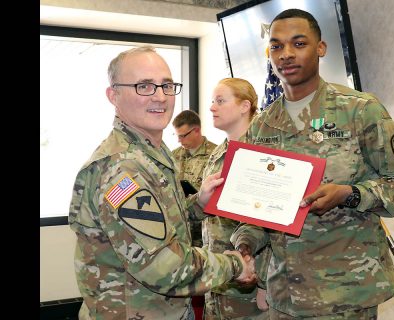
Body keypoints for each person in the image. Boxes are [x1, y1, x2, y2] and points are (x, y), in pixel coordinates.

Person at [230, 8, 394, 319]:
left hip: (346, 294)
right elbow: (257, 208)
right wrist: (244, 243)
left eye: (299, 43)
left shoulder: (360, 111)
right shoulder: (261, 126)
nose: (286, 55)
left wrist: (349, 193)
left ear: (320, 48)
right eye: (277, 46)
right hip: (285, 296)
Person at [68, 45, 256, 320]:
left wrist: (197, 205)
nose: (160, 96)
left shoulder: (151, 151)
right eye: (144, 86)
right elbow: (165, 267)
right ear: (113, 95)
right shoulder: (122, 167)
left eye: (167, 85)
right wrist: (235, 265)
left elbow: (160, 223)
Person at [201, 78, 271, 320]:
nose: (212, 107)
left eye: (220, 101)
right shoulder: (217, 154)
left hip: (249, 288)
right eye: (212, 101)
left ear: (244, 106)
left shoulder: (264, 154)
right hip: (218, 281)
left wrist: (264, 284)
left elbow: (273, 224)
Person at [172, 109, 217, 247]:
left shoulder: (215, 155)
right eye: (177, 135)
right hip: (180, 231)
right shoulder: (172, 156)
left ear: (196, 130)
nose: (179, 140)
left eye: (183, 136)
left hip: (205, 233)